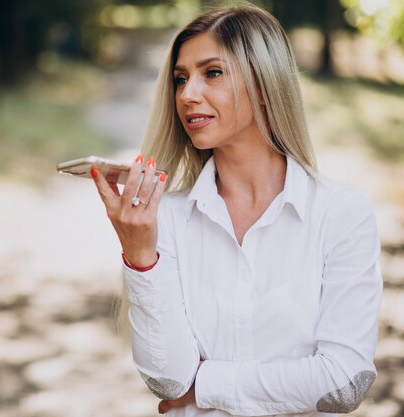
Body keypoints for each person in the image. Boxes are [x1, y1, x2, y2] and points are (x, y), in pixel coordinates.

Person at [90, 5, 382, 417]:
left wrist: (204, 385)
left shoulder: (340, 213)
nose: (188, 94)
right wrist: (140, 258)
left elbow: (343, 384)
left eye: (212, 73)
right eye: (180, 79)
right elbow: (168, 380)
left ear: (264, 83)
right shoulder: (166, 218)